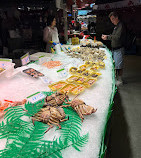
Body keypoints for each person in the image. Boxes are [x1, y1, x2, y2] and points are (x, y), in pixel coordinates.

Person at [101, 11, 126, 86]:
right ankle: (117, 78)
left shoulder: (121, 25)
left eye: (113, 19)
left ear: (117, 18)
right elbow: (113, 35)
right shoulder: (116, 26)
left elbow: (117, 37)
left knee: (119, 66)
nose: (112, 21)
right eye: (111, 19)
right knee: (116, 65)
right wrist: (107, 36)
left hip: (119, 48)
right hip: (114, 49)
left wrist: (107, 37)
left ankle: (120, 80)